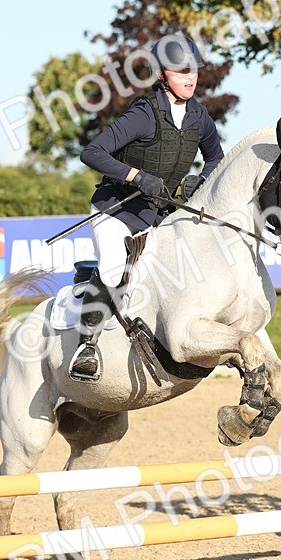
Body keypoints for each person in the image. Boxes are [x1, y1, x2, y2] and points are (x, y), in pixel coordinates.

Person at [69, 31, 224, 381]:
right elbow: (92, 152)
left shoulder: (199, 116)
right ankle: (86, 347)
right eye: (181, 71)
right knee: (114, 271)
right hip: (117, 211)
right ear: (161, 74)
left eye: (193, 71)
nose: (190, 78)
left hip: (161, 215)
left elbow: (216, 157)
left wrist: (201, 179)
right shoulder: (144, 114)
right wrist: (136, 176)